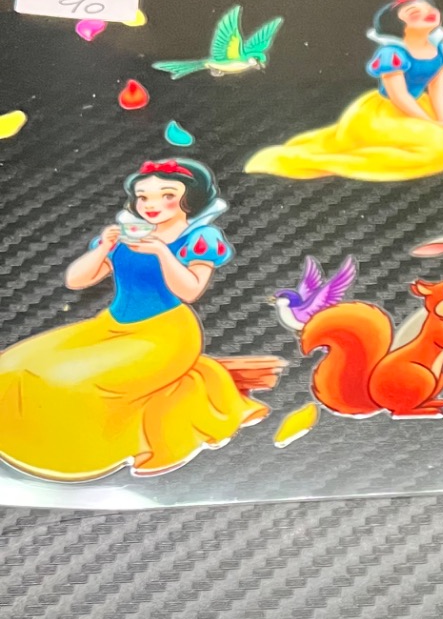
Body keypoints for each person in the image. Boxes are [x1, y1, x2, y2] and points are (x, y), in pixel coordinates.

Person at [0, 158, 269, 480]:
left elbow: (191, 290)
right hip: (110, 326)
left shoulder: (199, 237)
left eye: (167, 195)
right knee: (15, 366)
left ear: (190, 199)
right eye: (143, 196)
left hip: (165, 334)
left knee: (76, 383)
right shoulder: (127, 237)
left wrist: (162, 252)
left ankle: (80, 450)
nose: (151, 204)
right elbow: (76, 280)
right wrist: (104, 247)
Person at [246, 0, 443, 182]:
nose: (427, 12)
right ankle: (321, 159)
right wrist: (436, 125)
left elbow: (438, 88)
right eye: (414, 11)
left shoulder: (437, 48)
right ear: (399, 25)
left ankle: (431, 138)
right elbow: (398, 95)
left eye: (427, 8)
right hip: (384, 112)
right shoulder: (392, 54)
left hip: (420, 105)